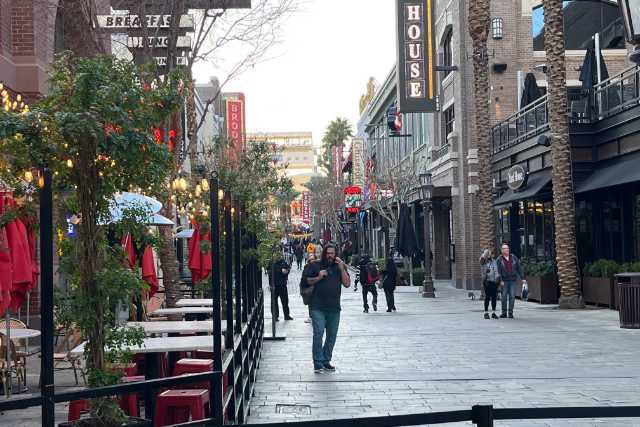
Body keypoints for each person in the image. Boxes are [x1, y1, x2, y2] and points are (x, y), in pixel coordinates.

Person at [302, 244, 350, 372]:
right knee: (318, 333)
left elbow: (347, 284)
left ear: (336, 254)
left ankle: (326, 360)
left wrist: (342, 268)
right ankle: (318, 362)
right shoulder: (314, 266)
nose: (330, 255)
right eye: (328, 253)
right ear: (324, 253)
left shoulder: (338, 267)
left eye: (332, 253)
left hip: (334, 308)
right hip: (317, 306)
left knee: (332, 336)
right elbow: (305, 281)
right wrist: (318, 276)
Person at [495, 243, 524, 319]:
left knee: (512, 296)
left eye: (507, 248)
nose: (507, 250)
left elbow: (519, 268)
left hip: (513, 280)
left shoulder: (513, 257)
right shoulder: (499, 259)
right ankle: (504, 313)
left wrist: (522, 278)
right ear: (502, 250)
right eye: (505, 249)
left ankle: (510, 313)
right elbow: (498, 271)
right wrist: (500, 280)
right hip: (504, 281)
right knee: (504, 297)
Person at [271, 255, 293, 321]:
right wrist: (281, 270)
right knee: (274, 302)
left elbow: (287, 269)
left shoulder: (283, 262)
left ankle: (286, 315)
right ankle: (275, 316)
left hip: (282, 284)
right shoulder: (272, 262)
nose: (278, 256)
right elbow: (272, 270)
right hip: (274, 284)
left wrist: (287, 271)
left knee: (285, 301)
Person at [480, 249, 500, 319]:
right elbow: (482, 258)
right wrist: (486, 252)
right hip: (487, 282)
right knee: (487, 297)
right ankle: (486, 312)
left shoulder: (494, 261)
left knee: (494, 298)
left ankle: (493, 313)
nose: (490, 255)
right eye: (488, 254)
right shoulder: (483, 262)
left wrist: (497, 277)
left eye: (491, 254)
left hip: (494, 282)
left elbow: (496, 270)